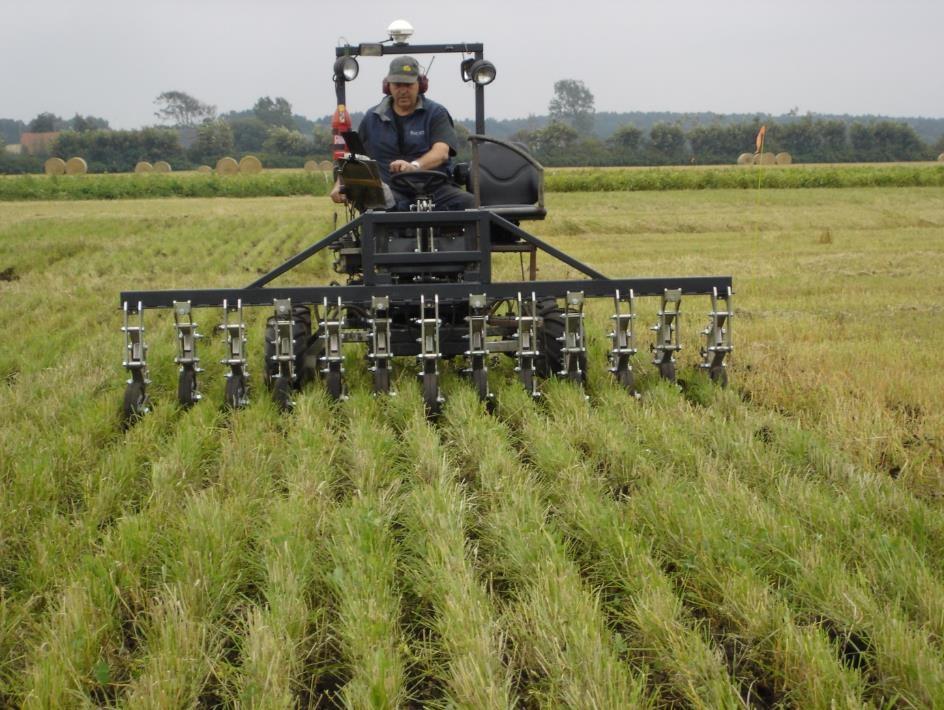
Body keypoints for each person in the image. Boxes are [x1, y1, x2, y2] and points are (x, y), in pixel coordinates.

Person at [330, 56, 474, 211]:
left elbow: (441, 152)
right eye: (398, 85)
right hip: (391, 192)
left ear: (420, 85)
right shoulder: (372, 118)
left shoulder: (436, 113)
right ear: (388, 86)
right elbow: (355, 158)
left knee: (473, 206)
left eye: (408, 84)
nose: (403, 90)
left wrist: (415, 166)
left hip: (436, 190)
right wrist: (341, 183)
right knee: (378, 205)